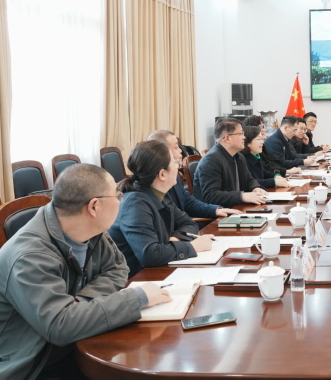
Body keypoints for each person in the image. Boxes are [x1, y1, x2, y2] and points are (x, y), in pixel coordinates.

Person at [0, 164, 171, 380]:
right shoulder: (29, 255)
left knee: (141, 368)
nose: (121, 201)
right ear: (94, 206)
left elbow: (118, 268)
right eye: (117, 195)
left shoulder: (91, 232)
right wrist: (137, 298)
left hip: (55, 352)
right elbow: (61, 325)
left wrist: (80, 303)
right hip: (13, 371)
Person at [109, 140, 213, 277]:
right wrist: (192, 246)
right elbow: (149, 254)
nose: (178, 167)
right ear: (162, 174)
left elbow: (189, 223)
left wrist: (175, 240)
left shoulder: (158, 193)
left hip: (158, 270)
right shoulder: (135, 204)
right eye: (174, 163)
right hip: (136, 278)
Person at [147, 129, 240, 220]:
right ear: (161, 152)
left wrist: (216, 210)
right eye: (176, 147)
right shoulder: (149, 192)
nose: (180, 151)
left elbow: (188, 203)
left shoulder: (175, 178)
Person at [194, 117, 268, 206]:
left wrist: (255, 188)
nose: (244, 137)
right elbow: (211, 196)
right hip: (218, 211)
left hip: (236, 207)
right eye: (240, 134)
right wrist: (241, 196)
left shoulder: (239, 156)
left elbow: (249, 179)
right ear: (227, 138)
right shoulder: (211, 160)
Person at [242, 125, 290, 189]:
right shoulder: (243, 160)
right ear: (248, 142)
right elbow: (251, 182)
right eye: (259, 139)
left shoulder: (256, 156)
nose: (262, 142)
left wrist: (276, 176)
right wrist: (274, 182)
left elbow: (264, 173)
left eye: (262, 139)